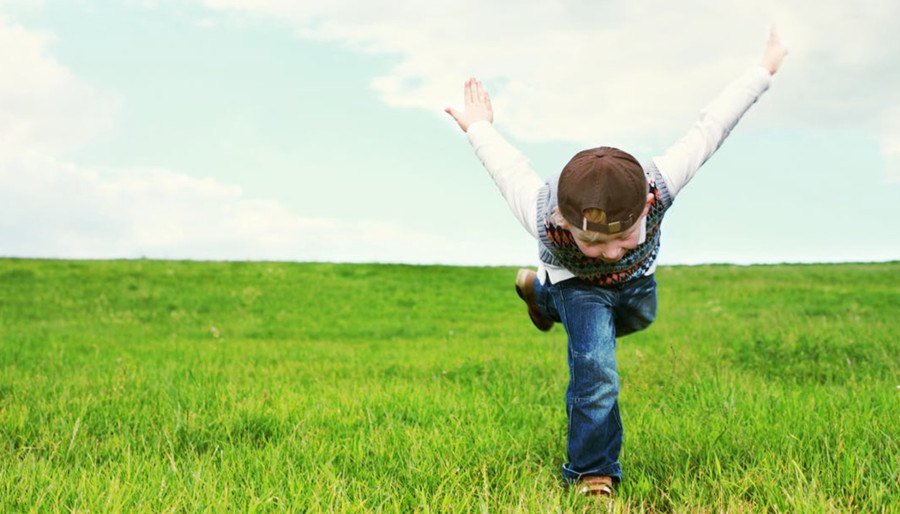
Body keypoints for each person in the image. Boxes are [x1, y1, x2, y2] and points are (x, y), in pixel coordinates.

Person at [445, 26, 788, 496]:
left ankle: (541, 300)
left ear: (646, 208)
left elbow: (712, 125)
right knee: (597, 369)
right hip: (578, 287)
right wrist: (479, 125)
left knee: (640, 319)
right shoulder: (539, 209)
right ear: (567, 221)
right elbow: (506, 166)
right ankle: (592, 472)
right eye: (592, 243)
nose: (608, 253)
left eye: (623, 238)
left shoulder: (662, 182)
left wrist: (763, 70)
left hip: (637, 287)